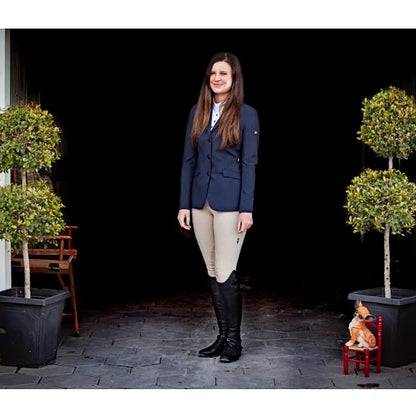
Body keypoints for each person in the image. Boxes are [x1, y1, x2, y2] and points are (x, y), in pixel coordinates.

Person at [177, 52, 260, 363]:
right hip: (200, 203)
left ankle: (234, 341)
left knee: (226, 271)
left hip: (230, 205)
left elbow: (249, 164)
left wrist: (247, 209)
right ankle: (222, 336)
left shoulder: (247, 115)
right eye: (213, 73)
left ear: (234, 78)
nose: (217, 78)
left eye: (223, 73)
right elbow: (188, 160)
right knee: (212, 271)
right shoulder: (197, 111)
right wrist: (184, 204)